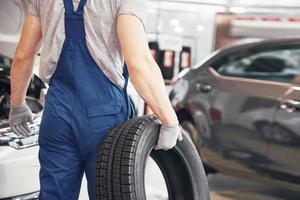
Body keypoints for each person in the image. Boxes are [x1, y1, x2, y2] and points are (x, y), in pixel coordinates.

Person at [9, 0, 183, 199]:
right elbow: (139, 63)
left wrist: (18, 105)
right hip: (105, 118)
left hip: (57, 114)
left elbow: (23, 55)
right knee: (108, 193)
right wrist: (170, 120)